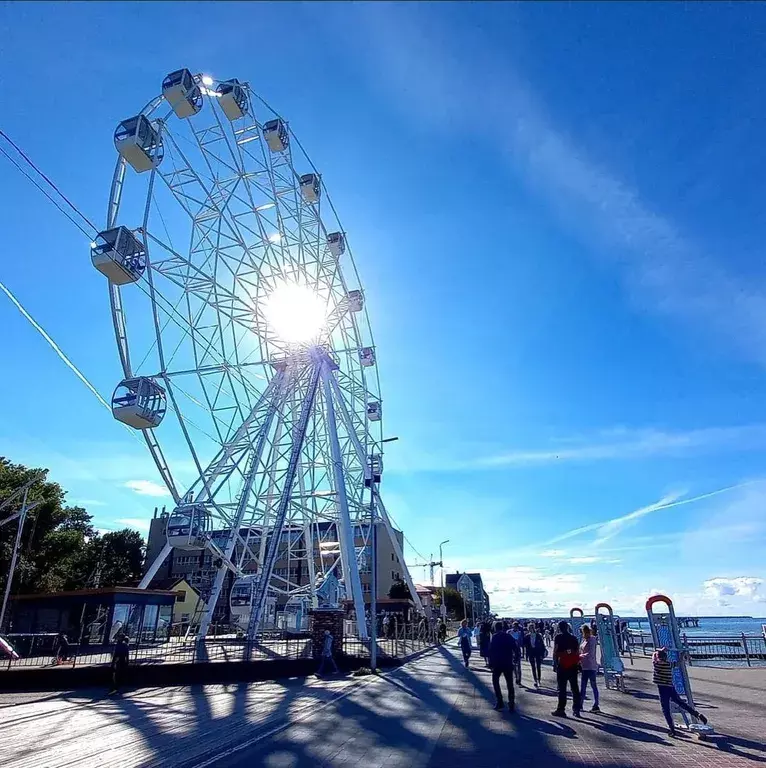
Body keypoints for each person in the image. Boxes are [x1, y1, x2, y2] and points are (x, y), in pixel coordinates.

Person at [652, 648, 707, 737]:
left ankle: (672, 729)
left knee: (666, 709)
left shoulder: (657, 664)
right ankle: (697, 714)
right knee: (681, 703)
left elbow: (654, 656)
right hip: (670, 687)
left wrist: (661, 650)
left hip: (662, 689)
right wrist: (681, 655)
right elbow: (679, 662)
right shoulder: (669, 664)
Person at [552, 620, 581, 717]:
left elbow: (556, 650)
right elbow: (577, 652)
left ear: (559, 628)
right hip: (572, 665)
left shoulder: (558, 637)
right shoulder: (573, 638)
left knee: (562, 688)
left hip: (562, 664)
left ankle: (561, 709)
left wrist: (554, 663)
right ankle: (576, 708)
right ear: (568, 627)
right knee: (575, 688)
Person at [489, 621, 519, 711]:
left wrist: (490, 663)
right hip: (507, 662)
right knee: (510, 684)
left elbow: (491, 651)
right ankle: (511, 702)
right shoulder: (508, 636)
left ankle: (500, 701)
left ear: (495, 628)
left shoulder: (494, 637)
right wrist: (516, 659)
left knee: (495, 682)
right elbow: (516, 647)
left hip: (497, 663)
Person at [580, 625, 600, 713]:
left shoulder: (591, 640)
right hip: (585, 666)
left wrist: (580, 657)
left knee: (591, 685)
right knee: (585, 686)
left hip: (590, 666)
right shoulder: (585, 640)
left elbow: (590, 653)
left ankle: (596, 704)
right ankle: (581, 704)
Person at [524, 621, 547, 688]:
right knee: (533, 667)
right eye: (530, 628)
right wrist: (526, 655)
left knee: (538, 666)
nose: (531, 629)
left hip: (538, 652)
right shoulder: (527, 636)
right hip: (531, 652)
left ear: (534, 628)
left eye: (532, 628)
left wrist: (543, 654)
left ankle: (539, 679)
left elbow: (542, 645)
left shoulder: (538, 635)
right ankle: (535, 680)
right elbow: (526, 646)